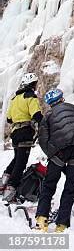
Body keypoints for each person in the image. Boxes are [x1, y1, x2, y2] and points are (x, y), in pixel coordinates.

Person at [35, 89, 74, 233]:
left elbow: (42, 139)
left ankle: (42, 219)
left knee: (49, 184)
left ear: (50, 104)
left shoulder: (48, 115)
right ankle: (62, 224)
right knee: (70, 187)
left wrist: (52, 154)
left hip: (61, 150)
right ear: (62, 99)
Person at [1, 73, 43, 203]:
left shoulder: (15, 99)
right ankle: (11, 190)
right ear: (33, 84)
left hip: (15, 132)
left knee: (16, 158)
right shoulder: (31, 97)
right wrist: (45, 125)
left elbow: (9, 119)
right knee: (21, 162)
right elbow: (36, 115)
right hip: (25, 132)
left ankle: (4, 182)